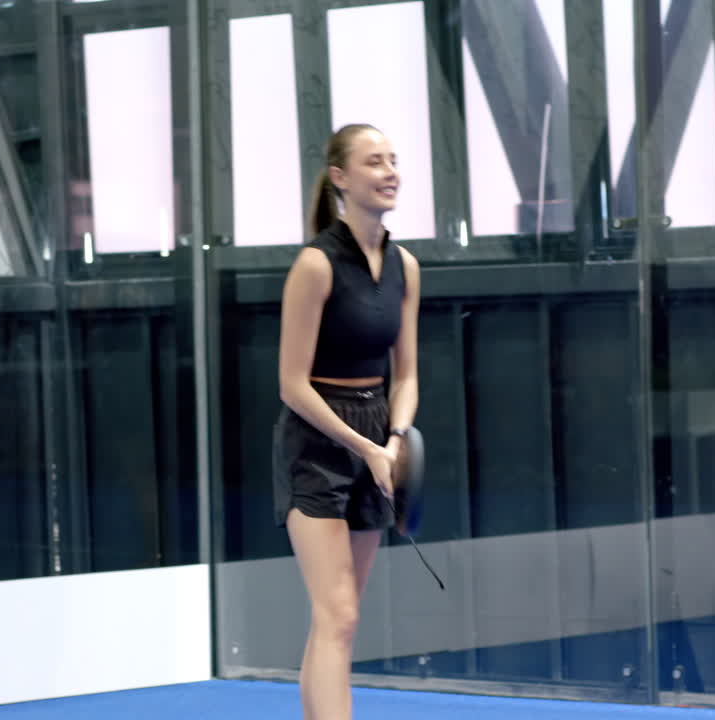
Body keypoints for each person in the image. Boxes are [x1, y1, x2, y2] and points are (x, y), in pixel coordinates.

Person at [273, 123, 421, 719]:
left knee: (340, 618)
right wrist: (366, 448)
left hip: (379, 439)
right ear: (340, 178)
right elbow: (291, 384)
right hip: (317, 443)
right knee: (338, 614)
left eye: (392, 160)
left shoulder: (406, 265)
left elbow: (406, 375)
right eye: (373, 162)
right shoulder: (315, 265)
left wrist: (395, 443)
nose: (389, 171)